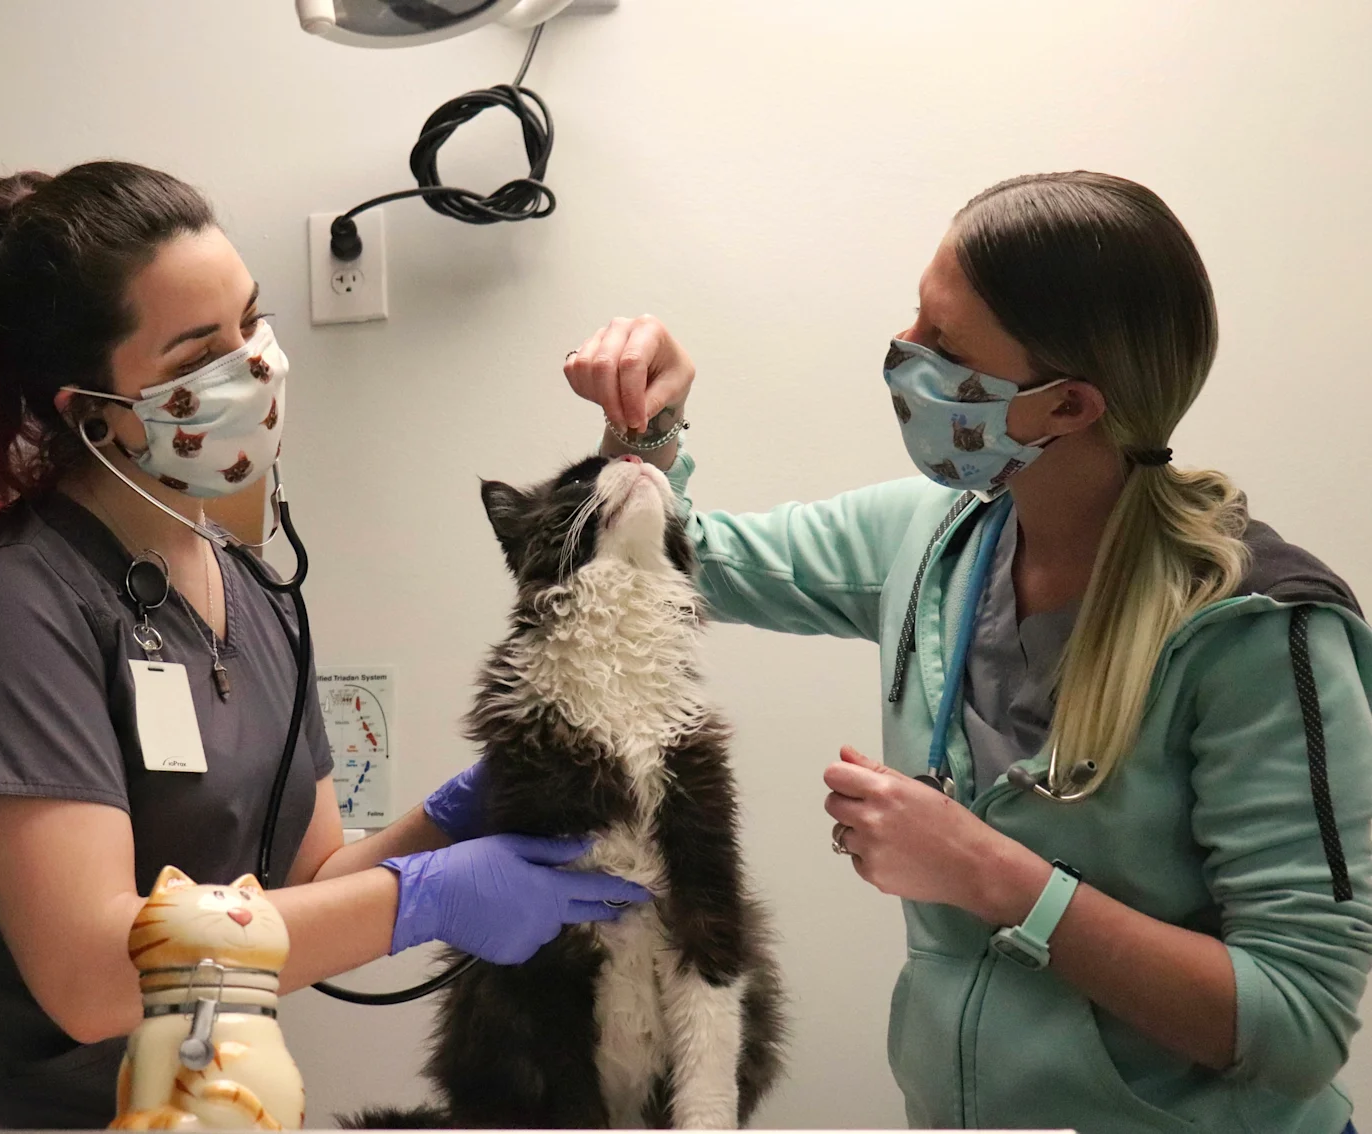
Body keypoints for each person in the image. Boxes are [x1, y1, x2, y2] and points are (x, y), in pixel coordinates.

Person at [0, 161, 647, 1131]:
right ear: (88, 411)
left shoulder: (253, 592)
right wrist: (419, 901)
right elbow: (92, 975)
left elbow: (302, 892)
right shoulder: (10, 608)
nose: (252, 367)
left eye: (251, 323)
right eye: (193, 357)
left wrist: (455, 816)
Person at [558, 172, 1372, 1131]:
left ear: (1067, 407)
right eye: (915, 321)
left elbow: (1295, 1022)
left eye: (944, 346)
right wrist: (643, 429)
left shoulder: (1258, 629)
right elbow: (681, 564)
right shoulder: (936, 538)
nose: (904, 355)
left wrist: (990, 874)